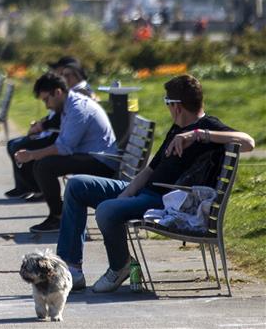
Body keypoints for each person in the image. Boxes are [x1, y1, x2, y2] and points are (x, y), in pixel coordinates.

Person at [56, 75, 255, 293]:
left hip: (161, 201)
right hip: (142, 191)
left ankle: (119, 266)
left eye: (167, 103)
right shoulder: (175, 129)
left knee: (106, 210)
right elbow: (151, 169)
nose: (168, 109)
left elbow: (248, 142)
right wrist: (127, 193)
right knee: (76, 185)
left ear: (176, 106)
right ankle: (72, 270)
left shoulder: (207, 126)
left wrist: (199, 134)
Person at [13, 72, 118, 233]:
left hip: (102, 161)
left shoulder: (78, 109)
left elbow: (64, 148)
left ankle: (58, 217)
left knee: (44, 166)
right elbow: (62, 144)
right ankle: (58, 215)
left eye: (46, 99)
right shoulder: (69, 105)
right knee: (43, 164)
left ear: (58, 92)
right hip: (91, 156)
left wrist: (31, 155)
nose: (47, 106)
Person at [4, 59, 94, 201]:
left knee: (31, 155)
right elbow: (57, 116)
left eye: (68, 74)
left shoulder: (79, 94)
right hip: (64, 138)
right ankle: (26, 187)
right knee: (15, 145)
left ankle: (38, 192)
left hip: (77, 146)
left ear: (77, 75)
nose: (64, 78)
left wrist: (40, 132)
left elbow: (65, 139)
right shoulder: (69, 93)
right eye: (63, 74)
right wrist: (41, 124)